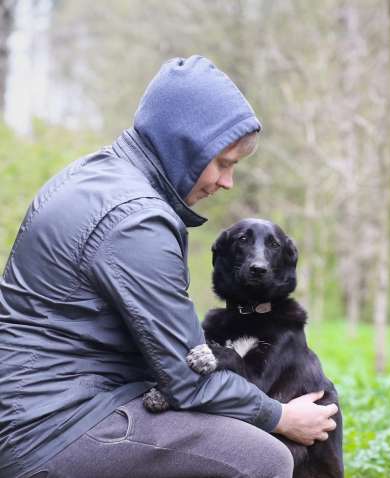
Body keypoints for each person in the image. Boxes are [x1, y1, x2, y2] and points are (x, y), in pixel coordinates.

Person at [0, 55, 338, 478]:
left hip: (29, 415)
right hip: (55, 432)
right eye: (224, 163)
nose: (227, 182)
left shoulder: (87, 176)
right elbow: (188, 376)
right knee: (262, 458)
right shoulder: (137, 220)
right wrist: (280, 417)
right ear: (184, 145)